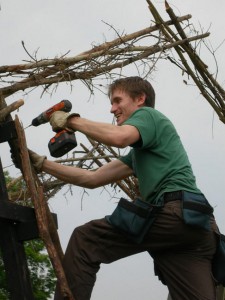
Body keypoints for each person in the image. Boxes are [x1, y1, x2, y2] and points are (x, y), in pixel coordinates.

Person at [28, 76, 218, 300]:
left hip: (176, 214)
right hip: (197, 228)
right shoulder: (140, 154)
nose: (112, 109)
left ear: (140, 99)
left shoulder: (149, 115)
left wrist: (71, 121)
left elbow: (120, 137)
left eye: (118, 101)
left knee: (86, 239)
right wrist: (42, 164)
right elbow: (92, 178)